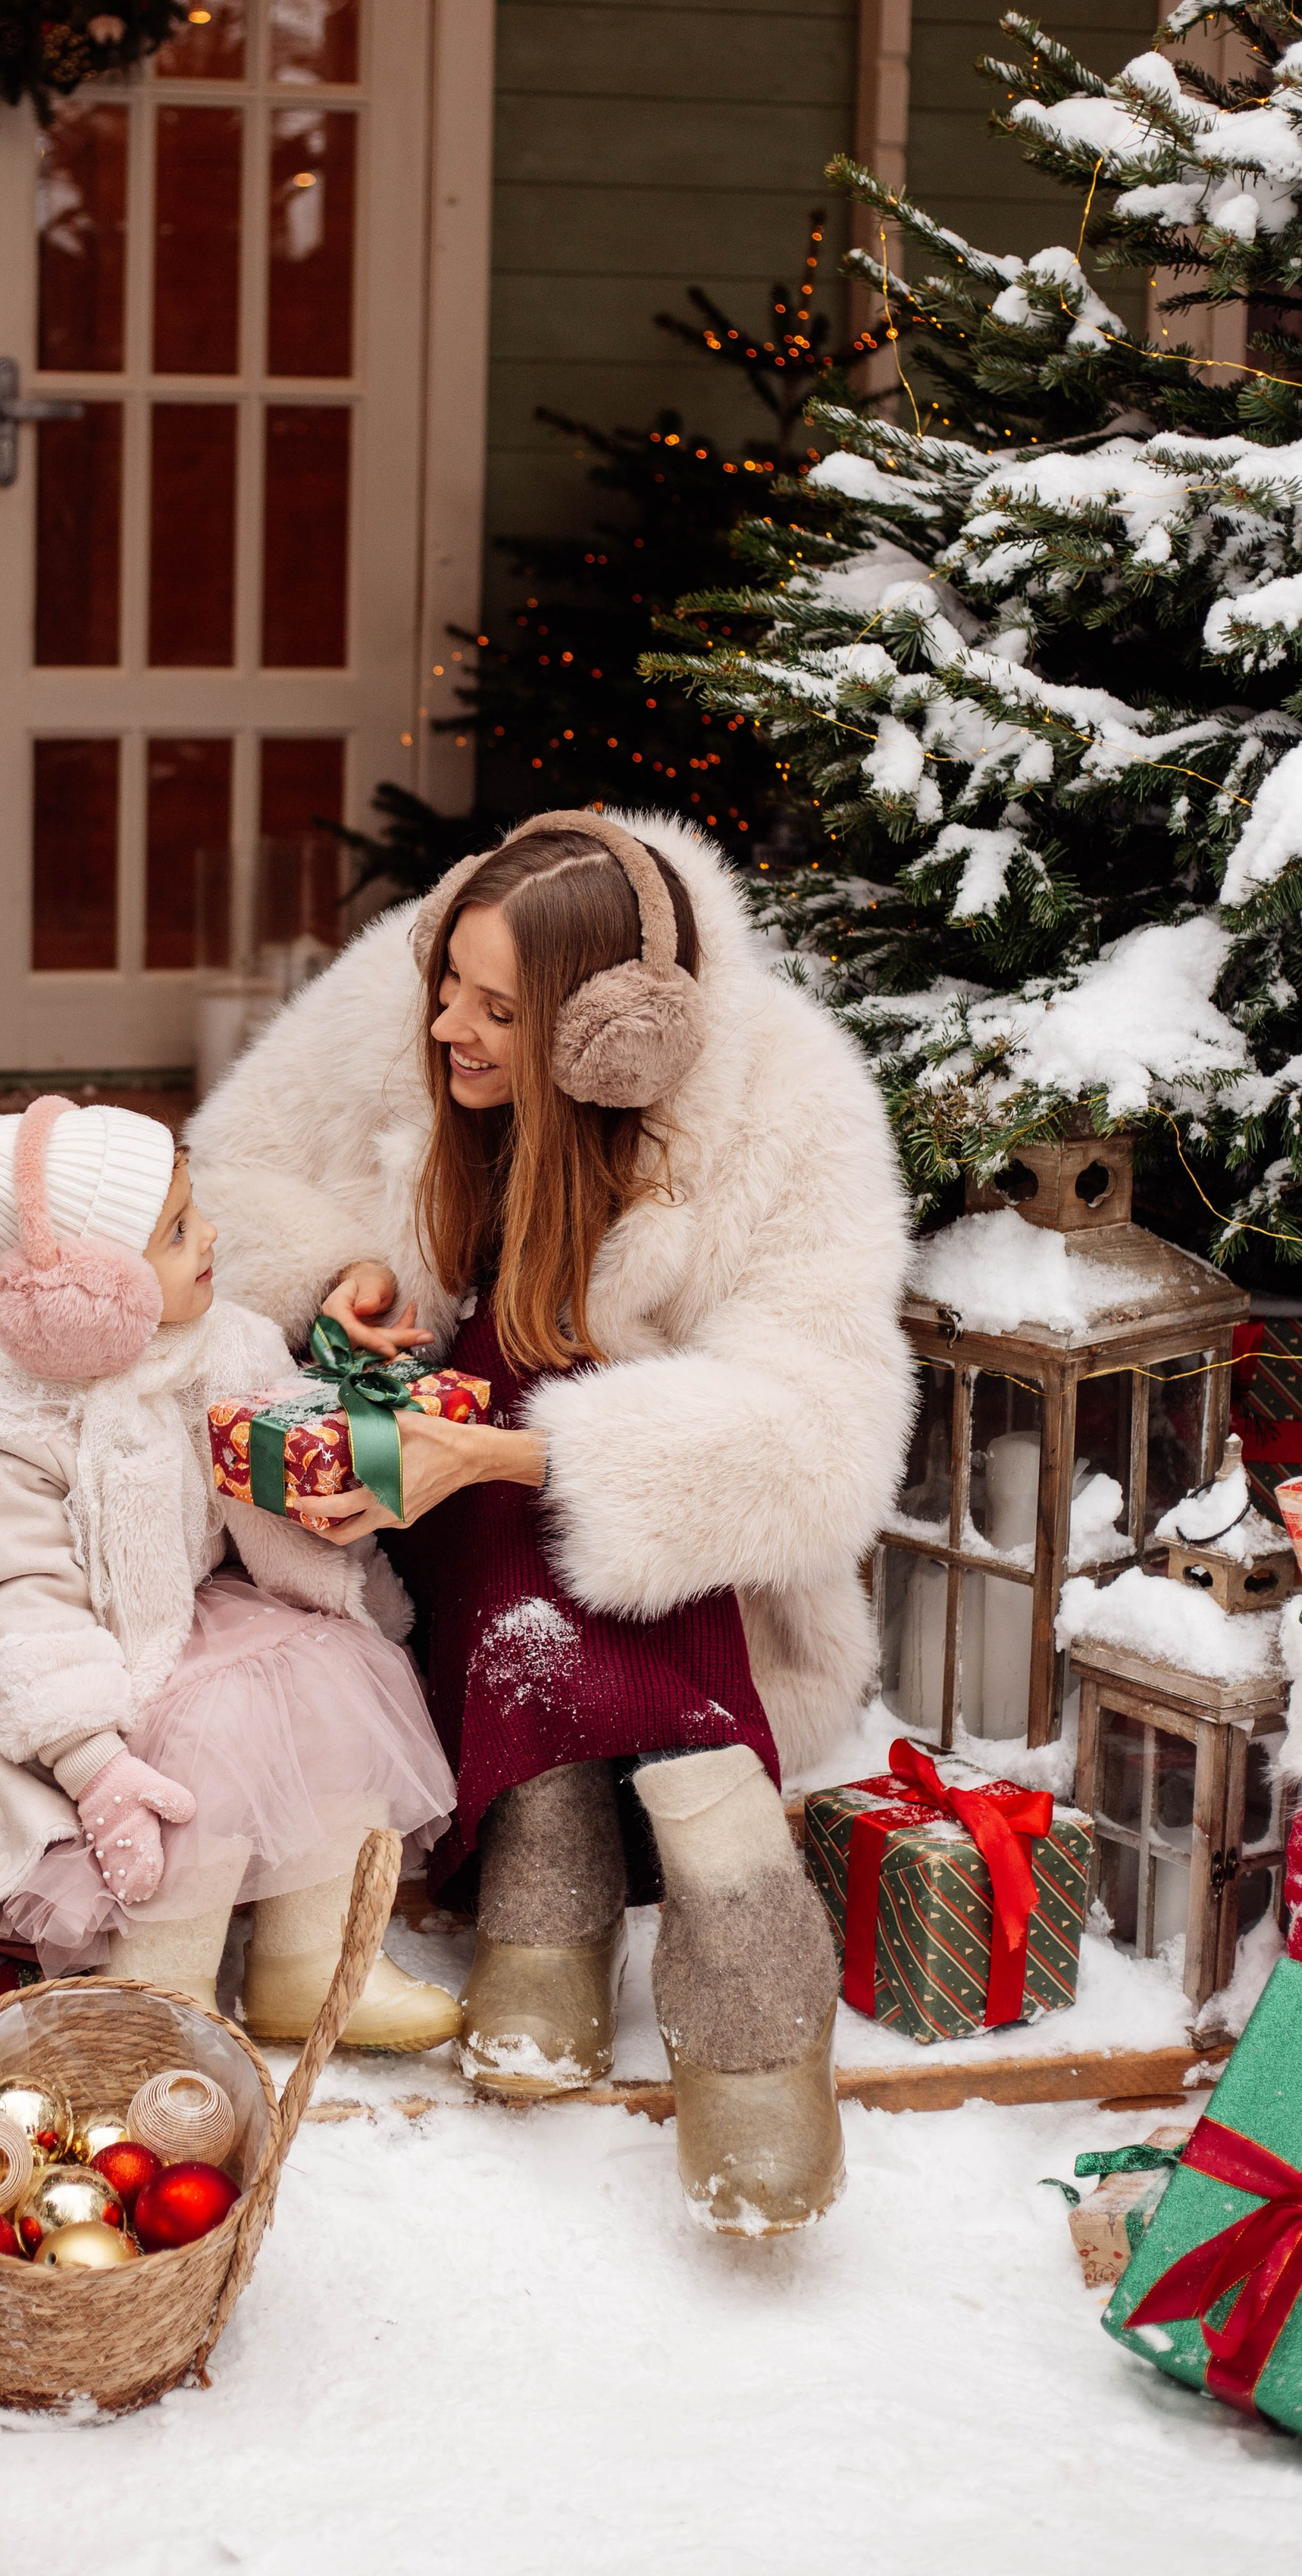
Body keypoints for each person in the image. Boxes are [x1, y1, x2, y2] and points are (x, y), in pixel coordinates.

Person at [187, 810, 914, 2231]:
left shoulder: (788, 1105)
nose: (446, 1022)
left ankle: (715, 1907)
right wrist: (342, 1268)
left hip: (670, 1575)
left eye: (495, 1009)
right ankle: (571, 1834)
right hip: (435, 1524)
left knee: (606, 1456)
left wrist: (517, 1456)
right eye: (448, 983)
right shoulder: (399, 1002)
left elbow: (820, 1434)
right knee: (535, 1473)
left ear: (615, 1033)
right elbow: (219, 1178)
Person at [0, 1096, 462, 2054]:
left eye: (192, 1209)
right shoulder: (14, 1430)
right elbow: (21, 1600)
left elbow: (264, 1431)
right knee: (203, 1741)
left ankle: (311, 1964)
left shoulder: (215, 1335)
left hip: (188, 1606)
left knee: (333, 1680)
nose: (209, 1234)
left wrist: (339, 1400)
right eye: (177, 1231)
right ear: (92, 1293)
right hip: (76, 1653)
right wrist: (92, 1763)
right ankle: (160, 1998)